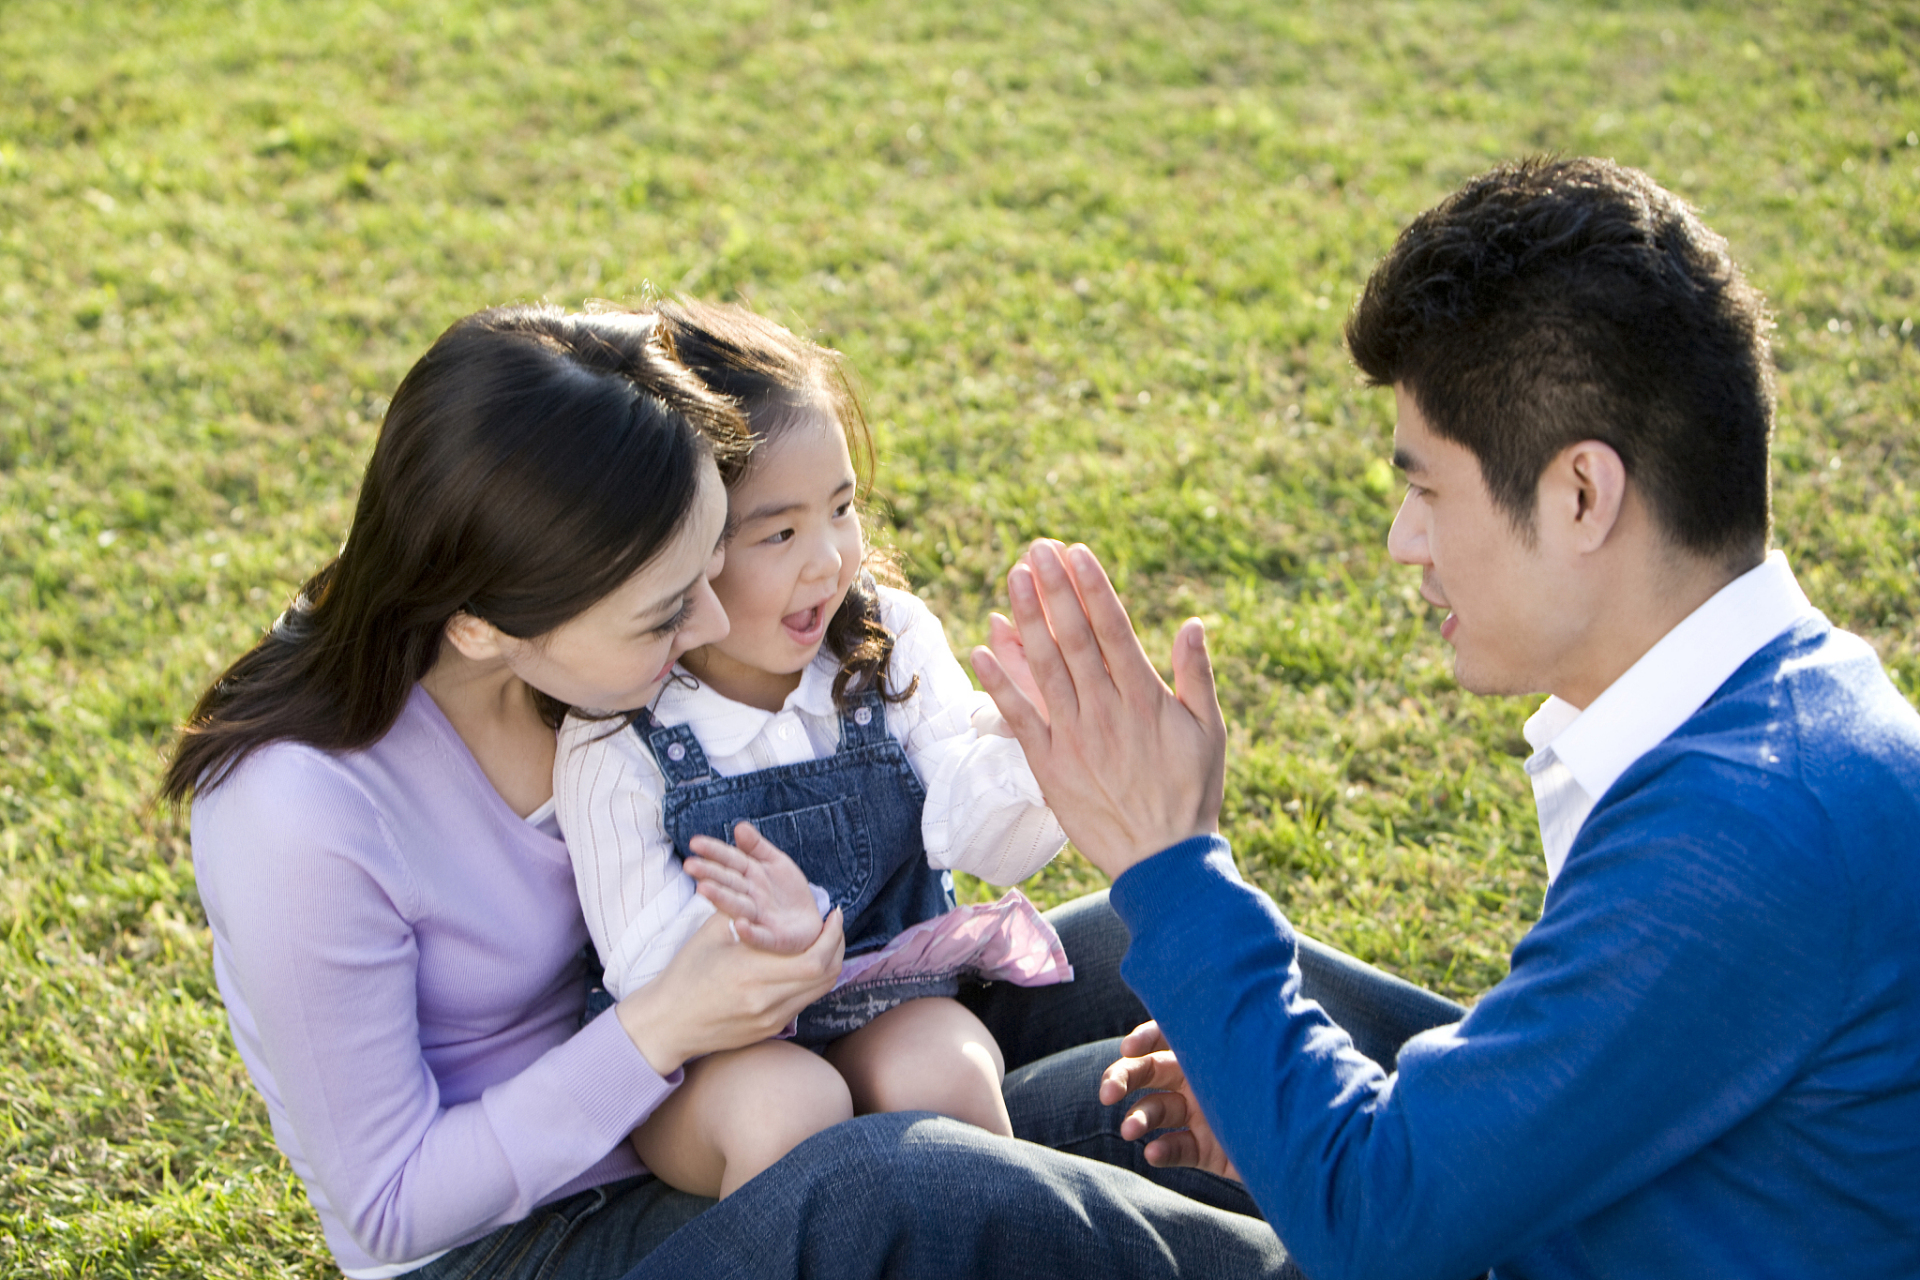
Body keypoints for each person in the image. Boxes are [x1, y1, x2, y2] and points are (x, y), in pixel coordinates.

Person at [169, 301, 1296, 1279]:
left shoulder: (558, 638)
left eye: (707, 571)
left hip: (733, 1077)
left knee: (1138, 973)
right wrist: (665, 1023)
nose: (710, 623)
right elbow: (387, 1208)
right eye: (668, 611)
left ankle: (1395, 1156)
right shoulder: (297, 817)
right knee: (897, 1180)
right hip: (521, 1237)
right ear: (482, 622)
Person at [969, 156, 1920, 1279]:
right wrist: (1293, 1109)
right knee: (1091, 958)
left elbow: (1382, 1226)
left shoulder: (1749, 826)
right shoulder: (1787, 715)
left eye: (1426, 491)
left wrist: (1171, 859)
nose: (1403, 542)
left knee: (910, 1195)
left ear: (1580, 494)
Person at [554, 299, 1071, 1198]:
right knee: (790, 1107)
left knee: (942, 1071)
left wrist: (1034, 749)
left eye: (842, 508)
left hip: (892, 1002)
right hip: (715, 1054)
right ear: (679, 548)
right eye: (780, 532)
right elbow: (645, 964)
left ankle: (997, 1246)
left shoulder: (885, 642)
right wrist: (774, 948)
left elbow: (985, 836)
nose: (830, 558)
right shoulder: (621, 729)